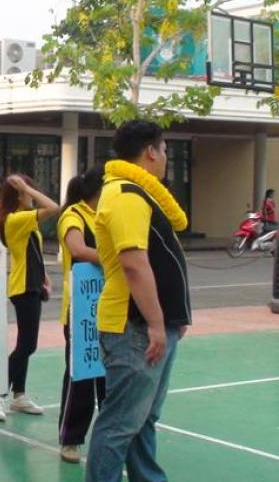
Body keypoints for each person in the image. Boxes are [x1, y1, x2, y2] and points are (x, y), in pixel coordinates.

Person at [86, 120, 191, 482]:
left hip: (151, 326)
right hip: (135, 328)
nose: (165, 158)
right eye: (164, 150)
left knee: (143, 418)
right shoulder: (126, 195)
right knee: (119, 424)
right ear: (150, 152)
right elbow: (133, 263)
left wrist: (173, 318)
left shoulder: (139, 195)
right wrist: (157, 324)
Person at [0, 174, 60, 422]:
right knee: (27, 345)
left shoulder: (23, 219)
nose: (32, 195)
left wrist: (44, 275)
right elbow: (54, 207)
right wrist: (26, 188)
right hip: (23, 288)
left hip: (32, 286)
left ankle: (19, 395)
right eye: (28, 191)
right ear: (19, 195)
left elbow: (32, 252)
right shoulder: (16, 219)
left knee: (25, 344)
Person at [56, 166, 106, 464]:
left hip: (109, 308)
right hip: (81, 311)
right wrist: (114, 259)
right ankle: (71, 439)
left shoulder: (106, 215)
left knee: (109, 378)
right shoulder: (73, 215)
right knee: (82, 377)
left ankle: (110, 436)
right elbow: (77, 248)